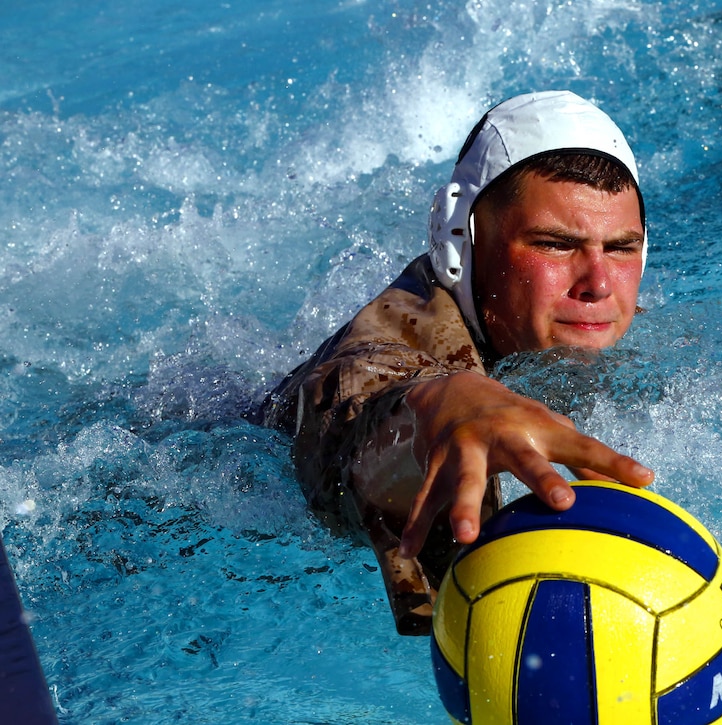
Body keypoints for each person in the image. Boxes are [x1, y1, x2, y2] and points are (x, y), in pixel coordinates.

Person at [259, 90, 655, 634]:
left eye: (621, 247)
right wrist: (445, 407)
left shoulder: (570, 324)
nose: (598, 284)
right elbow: (355, 402)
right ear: (459, 243)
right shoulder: (393, 344)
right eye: (555, 245)